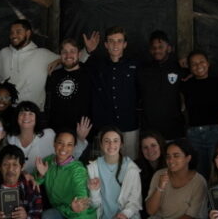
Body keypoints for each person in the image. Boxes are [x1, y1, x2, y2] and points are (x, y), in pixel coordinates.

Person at [86, 126, 143, 219]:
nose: (111, 145)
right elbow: (95, 204)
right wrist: (94, 191)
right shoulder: (94, 167)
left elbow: (136, 201)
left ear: (121, 144)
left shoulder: (131, 168)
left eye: (115, 141)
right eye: (107, 141)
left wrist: (125, 213)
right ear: (101, 144)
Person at [35, 129, 94, 219]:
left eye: (69, 145)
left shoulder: (77, 169)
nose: (64, 148)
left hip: (80, 214)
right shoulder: (48, 161)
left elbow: (81, 195)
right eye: (60, 143)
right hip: (61, 211)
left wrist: (77, 205)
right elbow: (33, 183)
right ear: (54, 144)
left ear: (74, 148)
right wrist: (40, 175)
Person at [83, 27, 140, 158]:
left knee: (129, 163)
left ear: (125, 44)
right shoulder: (96, 65)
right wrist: (87, 51)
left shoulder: (135, 65)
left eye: (119, 41)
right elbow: (75, 64)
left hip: (129, 126)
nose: (115, 44)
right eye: (111, 41)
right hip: (104, 127)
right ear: (106, 44)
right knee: (102, 165)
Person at [6, 101, 89, 174]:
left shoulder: (48, 135)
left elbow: (67, 155)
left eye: (31, 114)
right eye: (22, 113)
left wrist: (80, 139)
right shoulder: (10, 139)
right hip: (20, 182)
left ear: (37, 118)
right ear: (17, 118)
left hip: (48, 181)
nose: (26, 116)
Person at [0, 19, 59, 108]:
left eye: (18, 32)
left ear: (28, 33)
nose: (13, 35)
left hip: (32, 112)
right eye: (11, 32)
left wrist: (59, 60)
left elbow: (70, 60)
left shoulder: (43, 54)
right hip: (7, 110)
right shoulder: (3, 53)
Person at [180, 50, 218, 177]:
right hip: (194, 133)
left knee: (216, 169)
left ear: (208, 63)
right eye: (194, 64)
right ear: (189, 67)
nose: (198, 66)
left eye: (201, 62)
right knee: (198, 170)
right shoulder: (186, 85)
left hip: (216, 131)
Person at [137, 30, 185, 140]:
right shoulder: (142, 71)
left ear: (169, 48)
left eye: (160, 47)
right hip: (150, 129)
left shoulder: (179, 69)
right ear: (150, 50)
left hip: (174, 128)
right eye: (153, 48)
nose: (157, 50)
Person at [44, 38, 93, 135]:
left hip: (81, 132)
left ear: (79, 54)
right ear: (60, 55)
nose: (68, 55)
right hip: (56, 132)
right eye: (64, 52)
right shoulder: (54, 75)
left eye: (72, 51)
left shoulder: (89, 74)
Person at [135, 131, 167, 203]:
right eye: (145, 147)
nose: (150, 150)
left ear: (160, 146)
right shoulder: (135, 167)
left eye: (153, 145)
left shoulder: (171, 164)